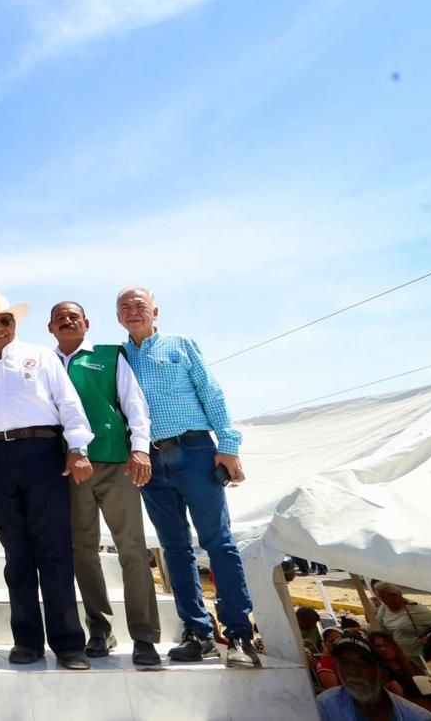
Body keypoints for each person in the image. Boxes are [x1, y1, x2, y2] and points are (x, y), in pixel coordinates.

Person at [116, 286, 259, 669]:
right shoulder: (119, 358)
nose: (132, 311)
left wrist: (228, 443)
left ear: (155, 311)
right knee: (173, 548)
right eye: (125, 307)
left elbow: (211, 392)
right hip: (149, 460)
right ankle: (198, 632)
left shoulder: (181, 344)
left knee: (218, 542)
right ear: (117, 317)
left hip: (194, 450)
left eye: (140, 305)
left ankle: (240, 635)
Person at [0, 292, 94, 671]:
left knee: (54, 550)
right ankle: (26, 641)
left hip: (43, 453)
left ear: (14, 323)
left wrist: (77, 447)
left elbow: (68, 403)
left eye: (5, 320)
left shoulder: (40, 356)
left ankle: (69, 644)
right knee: (17, 554)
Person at [47, 300, 161, 668]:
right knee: (83, 552)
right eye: (60, 318)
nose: (67, 321)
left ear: (87, 323)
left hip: (116, 463)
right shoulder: (45, 363)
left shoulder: (110, 356)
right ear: (50, 328)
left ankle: (144, 636)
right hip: (69, 469)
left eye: (74, 317)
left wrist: (140, 449)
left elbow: (134, 404)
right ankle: (99, 630)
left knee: (132, 549)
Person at [317, 634, 431, 720]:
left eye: (361, 664)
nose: (351, 671)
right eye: (343, 662)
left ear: (383, 675)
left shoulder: (415, 715)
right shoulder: (326, 704)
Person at [374, 582, 431, 661]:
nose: (382, 600)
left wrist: (430, 638)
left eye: (384, 597)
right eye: (379, 597)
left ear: (395, 595)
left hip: (421, 654)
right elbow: (380, 626)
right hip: (401, 654)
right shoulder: (384, 608)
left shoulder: (415, 609)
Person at [369, 631, 427, 701]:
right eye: (378, 647)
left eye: (386, 645)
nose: (383, 649)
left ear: (394, 646)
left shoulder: (407, 663)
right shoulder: (382, 672)